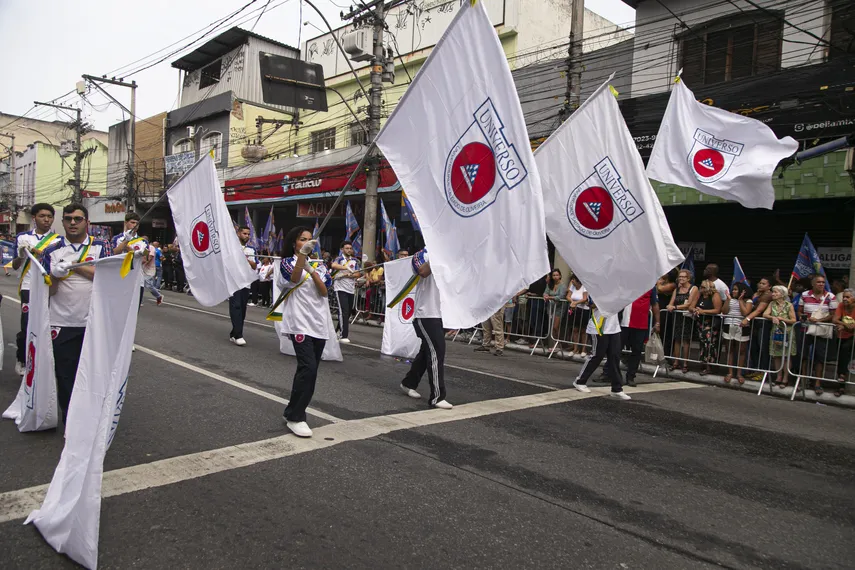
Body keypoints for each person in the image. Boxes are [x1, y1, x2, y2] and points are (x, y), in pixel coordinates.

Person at [43, 203, 110, 424]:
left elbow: (107, 279)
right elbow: (49, 290)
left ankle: (93, 418)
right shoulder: (51, 251)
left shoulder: (101, 246)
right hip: (62, 322)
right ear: (62, 222)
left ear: (87, 222)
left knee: (95, 373)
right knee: (65, 374)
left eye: (78, 219)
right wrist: (54, 275)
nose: (73, 222)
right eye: (68, 218)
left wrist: (75, 266)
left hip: (94, 322)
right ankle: (70, 420)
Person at [277, 227, 332, 438]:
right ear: (294, 243)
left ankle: (292, 409)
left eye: (310, 240)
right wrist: (302, 258)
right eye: (302, 240)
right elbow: (293, 278)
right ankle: (296, 417)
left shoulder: (320, 265)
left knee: (310, 371)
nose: (307, 243)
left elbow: (324, 290)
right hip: (299, 323)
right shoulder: (287, 262)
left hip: (318, 324)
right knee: (307, 368)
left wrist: (312, 269)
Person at [399, 248, 453, 409]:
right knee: (437, 352)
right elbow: (422, 272)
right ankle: (437, 396)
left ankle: (409, 382)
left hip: (442, 314)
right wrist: (438, 251)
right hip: (426, 314)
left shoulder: (450, 256)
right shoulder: (421, 255)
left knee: (426, 353)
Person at [12, 203, 59, 376]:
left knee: (47, 325)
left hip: (49, 287)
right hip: (29, 287)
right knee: (27, 325)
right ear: (34, 218)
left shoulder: (58, 240)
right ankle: (22, 358)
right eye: (42, 216)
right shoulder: (23, 237)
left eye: (49, 216)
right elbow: (16, 266)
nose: (46, 219)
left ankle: (42, 360)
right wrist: (21, 255)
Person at [572, 299, 631, 400]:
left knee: (614, 357)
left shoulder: (617, 290)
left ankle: (617, 389)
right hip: (598, 328)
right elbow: (591, 304)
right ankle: (580, 381)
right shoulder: (597, 289)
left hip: (614, 328)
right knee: (597, 356)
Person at [799, 274, 838, 395]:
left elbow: (833, 314)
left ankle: (817, 383)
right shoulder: (805, 295)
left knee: (819, 358)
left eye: (823, 282)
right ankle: (803, 381)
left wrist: (819, 320)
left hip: (821, 330)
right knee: (803, 356)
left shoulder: (830, 296)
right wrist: (803, 318)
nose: (821, 284)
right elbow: (799, 311)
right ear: (813, 284)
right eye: (818, 282)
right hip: (806, 330)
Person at [620, 286, 660, 387]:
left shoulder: (651, 285)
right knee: (616, 349)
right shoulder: (627, 281)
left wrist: (658, 322)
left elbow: (655, 304)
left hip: (640, 324)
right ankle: (610, 373)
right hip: (624, 322)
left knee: (637, 350)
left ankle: (631, 376)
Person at [229, 226, 258, 346]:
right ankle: (238, 335)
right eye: (244, 233)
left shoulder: (251, 250)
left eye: (248, 234)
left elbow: (255, 266)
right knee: (235, 306)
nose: (246, 236)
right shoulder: (231, 247)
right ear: (238, 234)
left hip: (246, 282)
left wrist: (246, 259)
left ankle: (233, 333)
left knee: (242, 309)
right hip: (234, 281)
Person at [721, 282, 754, 385]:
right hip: (728, 325)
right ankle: (730, 372)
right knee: (729, 350)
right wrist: (727, 299)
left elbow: (745, 313)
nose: (733, 291)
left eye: (735, 289)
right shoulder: (730, 300)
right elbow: (724, 311)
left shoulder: (748, 301)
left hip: (741, 327)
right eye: (733, 289)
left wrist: (740, 300)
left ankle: (739, 373)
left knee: (741, 351)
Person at [666, 269, 698, 373]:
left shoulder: (693, 288)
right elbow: (670, 302)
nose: (681, 278)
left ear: (688, 278)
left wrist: (674, 307)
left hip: (687, 317)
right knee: (677, 339)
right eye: (680, 276)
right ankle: (676, 362)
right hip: (678, 317)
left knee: (686, 340)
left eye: (683, 277)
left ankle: (685, 363)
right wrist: (670, 306)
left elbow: (688, 304)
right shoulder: (677, 289)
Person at [764, 285, 796, 390]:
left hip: (787, 332)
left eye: (776, 292)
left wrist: (781, 319)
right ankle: (778, 376)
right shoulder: (771, 304)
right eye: (773, 292)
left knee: (787, 356)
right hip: (776, 332)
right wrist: (773, 317)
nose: (773, 294)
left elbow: (793, 320)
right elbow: (765, 314)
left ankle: (786, 378)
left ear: (782, 294)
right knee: (776, 355)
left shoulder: (789, 305)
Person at [331, 240, 362, 344]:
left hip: (350, 289)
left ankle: (337, 331)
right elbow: (334, 265)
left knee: (348, 312)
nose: (349, 250)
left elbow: (357, 274)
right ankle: (344, 335)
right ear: (342, 250)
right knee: (343, 311)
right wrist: (346, 268)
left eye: (350, 248)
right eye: (347, 248)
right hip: (340, 288)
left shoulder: (355, 260)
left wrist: (347, 274)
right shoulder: (340, 259)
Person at [691, 280, 723, 376]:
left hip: (711, 324)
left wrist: (703, 311)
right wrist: (695, 309)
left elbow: (717, 309)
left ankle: (710, 366)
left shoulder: (715, 295)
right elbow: (691, 306)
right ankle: (703, 363)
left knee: (710, 345)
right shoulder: (699, 295)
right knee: (702, 344)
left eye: (704, 287)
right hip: (701, 323)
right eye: (701, 287)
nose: (701, 289)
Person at [745, 277, 773, 378]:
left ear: (769, 286)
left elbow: (759, 310)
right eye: (760, 283)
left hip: (763, 324)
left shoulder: (768, 295)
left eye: (764, 284)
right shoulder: (757, 294)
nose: (760, 285)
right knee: (754, 348)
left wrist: (747, 319)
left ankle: (764, 372)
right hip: (755, 324)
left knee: (763, 348)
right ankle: (756, 369)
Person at [832, 288, 855, 397]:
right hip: (843, 336)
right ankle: (841, 386)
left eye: (848, 297)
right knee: (841, 358)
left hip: (853, 337)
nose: (845, 299)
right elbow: (835, 319)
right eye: (844, 297)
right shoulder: (841, 305)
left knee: (846, 349)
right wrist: (845, 324)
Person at [565, 275, 589, 357]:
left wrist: (576, 303)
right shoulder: (572, 287)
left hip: (583, 310)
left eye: (573, 279)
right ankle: (575, 348)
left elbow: (585, 298)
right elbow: (568, 296)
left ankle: (584, 349)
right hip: (574, 309)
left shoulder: (584, 287)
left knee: (583, 330)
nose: (572, 281)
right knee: (575, 329)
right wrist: (572, 302)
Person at [543, 268, 567, 349]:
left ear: (560, 276)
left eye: (557, 275)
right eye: (554, 275)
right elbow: (545, 292)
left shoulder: (563, 286)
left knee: (555, 327)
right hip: (550, 307)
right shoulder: (549, 284)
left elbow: (560, 297)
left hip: (559, 308)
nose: (555, 277)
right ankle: (552, 345)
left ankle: (558, 343)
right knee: (551, 327)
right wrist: (545, 296)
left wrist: (549, 297)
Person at [140, 237, 163, 306]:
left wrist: (143, 263)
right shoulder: (141, 247)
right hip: (141, 269)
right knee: (140, 285)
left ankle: (159, 296)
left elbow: (150, 257)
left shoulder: (151, 248)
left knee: (148, 285)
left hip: (149, 269)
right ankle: (139, 300)